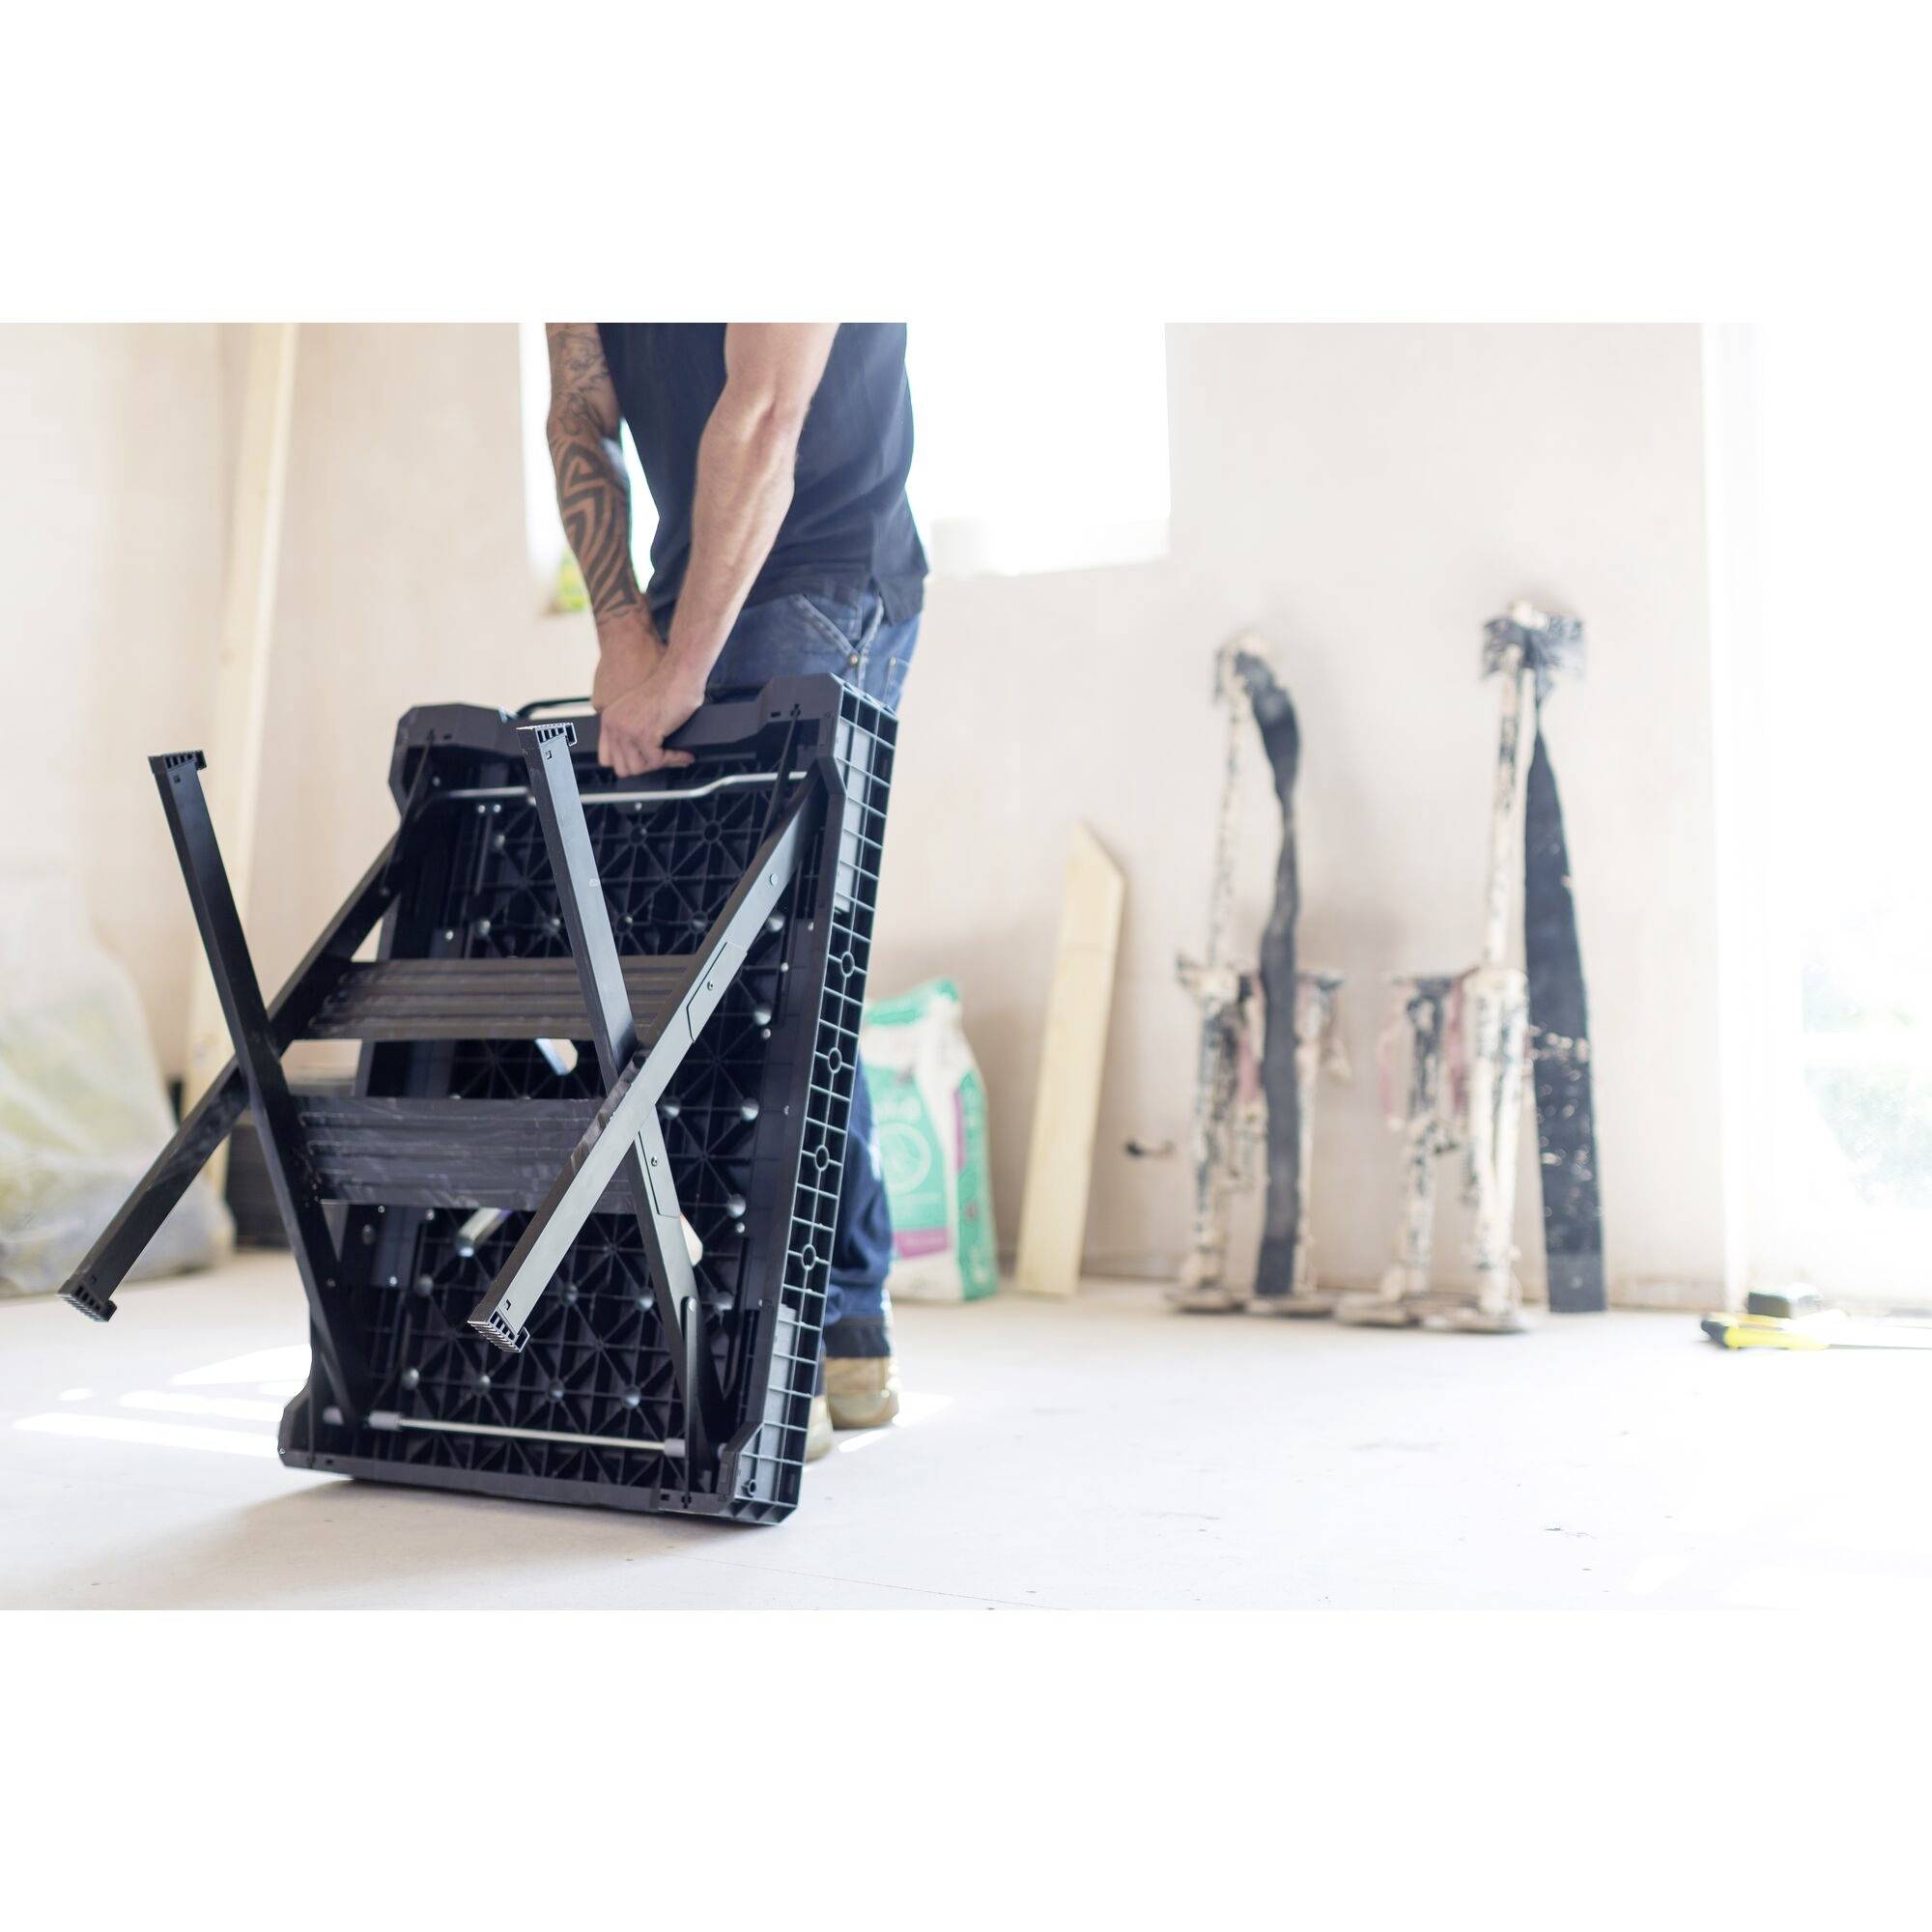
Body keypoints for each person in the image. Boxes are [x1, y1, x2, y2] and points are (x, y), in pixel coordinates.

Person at [543, 323, 925, 1459]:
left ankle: (781, 1344)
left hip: (820, 566)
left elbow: (764, 414)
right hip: (693, 583)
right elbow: (577, 413)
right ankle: (842, 1324)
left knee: (760, 962)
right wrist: (623, 634)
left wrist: (680, 673)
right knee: (739, 954)